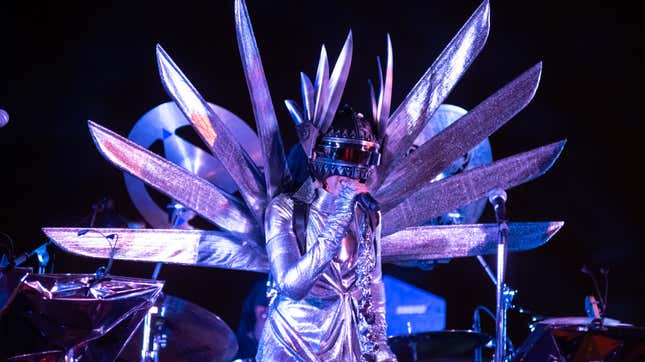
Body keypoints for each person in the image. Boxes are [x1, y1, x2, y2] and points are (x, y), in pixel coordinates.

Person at [257, 106, 397, 361]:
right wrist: (339, 217)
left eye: (363, 157)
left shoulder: (366, 214)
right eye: (347, 154)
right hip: (292, 344)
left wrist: (380, 345)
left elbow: (372, 283)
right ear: (321, 157)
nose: (353, 169)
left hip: (346, 342)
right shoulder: (284, 209)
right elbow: (291, 286)